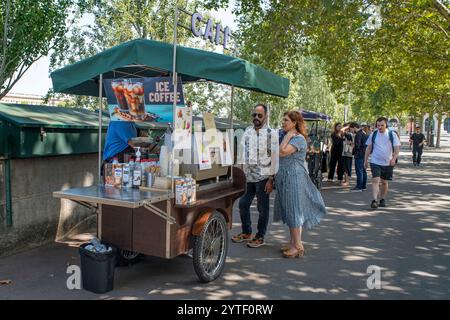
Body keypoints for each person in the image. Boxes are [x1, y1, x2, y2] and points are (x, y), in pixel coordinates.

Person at [274, 111, 327, 258]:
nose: (283, 122)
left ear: (294, 123)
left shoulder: (298, 139)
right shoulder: (291, 137)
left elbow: (282, 152)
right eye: (283, 120)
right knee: (290, 210)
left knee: (294, 210)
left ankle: (298, 246)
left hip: (294, 177)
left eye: (286, 120)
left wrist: (287, 136)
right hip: (286, 177)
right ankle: (293, 242)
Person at [232, 104, 274, 248]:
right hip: (249, 177)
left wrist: (271, 179)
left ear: (266, 116)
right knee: (243, 204)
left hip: (263, 178)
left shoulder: (270, 133)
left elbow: (274, 158)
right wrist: (240, 171)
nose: (256, 118)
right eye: (254, 115)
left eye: (259, 115)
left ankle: (260, 236)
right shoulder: (248, 131)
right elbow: (243, 153)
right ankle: (246, 232)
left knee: (262, 209)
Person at [364, 117, 401, 209]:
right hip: (375, 161)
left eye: (382, 125)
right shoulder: (374, 134)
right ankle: (375, 200)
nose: (380, 127)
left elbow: (397, 148)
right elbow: (368, 148)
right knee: (375, 180)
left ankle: (382, 199)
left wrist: (394, 159)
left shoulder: (392, 134)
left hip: (387, 162)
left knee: (384, 182)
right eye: (378, 125)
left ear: (386, 125)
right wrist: (365, 160)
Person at [352, 123, 368, 191]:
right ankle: (363, 186)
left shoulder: (358, 134)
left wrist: (353, 147)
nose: (352, 131)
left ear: (354, 127)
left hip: (359, 154)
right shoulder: (364, 133)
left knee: (359, 171)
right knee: (363, 170)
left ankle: (359, 186)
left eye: (351, 129)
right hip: (364, 154)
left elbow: (357, 145)